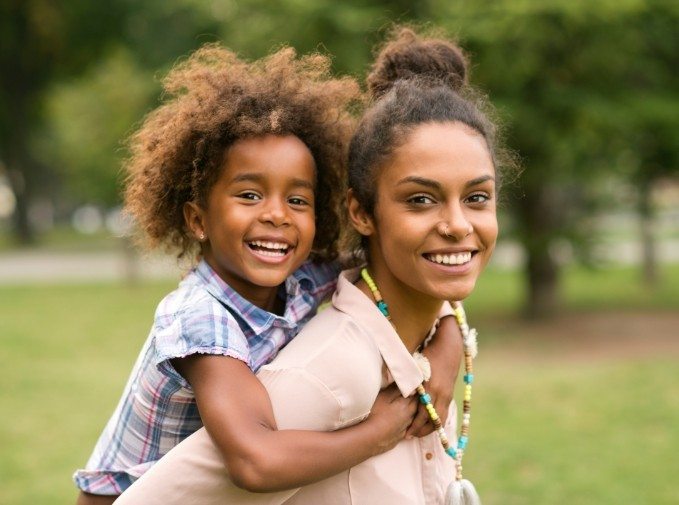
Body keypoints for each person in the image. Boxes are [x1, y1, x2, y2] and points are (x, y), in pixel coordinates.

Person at [115, 27, 515, 504]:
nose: (277, 215)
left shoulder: (302, 276)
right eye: (249, 194)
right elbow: (253, 460)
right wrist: (378, 432)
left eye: (298, 199)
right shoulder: (202, 319)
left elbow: (407, 264)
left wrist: (446, 343)